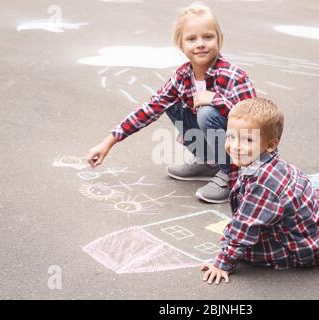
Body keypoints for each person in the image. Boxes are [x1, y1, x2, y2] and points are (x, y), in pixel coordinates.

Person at [87, 3, 256, 203]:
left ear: (220, 39)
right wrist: (108, 142)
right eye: (192, 39)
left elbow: (254, 121)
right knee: (172, 104)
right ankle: (210, 162)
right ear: (181, 46)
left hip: (243, 153)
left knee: (207, 113)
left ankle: (230, 175)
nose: (200, 43)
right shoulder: (183, 76)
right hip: (222, 143)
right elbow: (150, 109)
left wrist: (215, 100)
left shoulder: (232, 75)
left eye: (208, 37)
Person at [200, 97, 319, 285]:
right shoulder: (267, 160)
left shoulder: (262, 185)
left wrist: (222, 263)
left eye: (247, 139)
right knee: (297, 186)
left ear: (271, 144)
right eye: (231, 136)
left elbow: (243, 230)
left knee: (248, 251)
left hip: (316, 246)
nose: (235, 145)